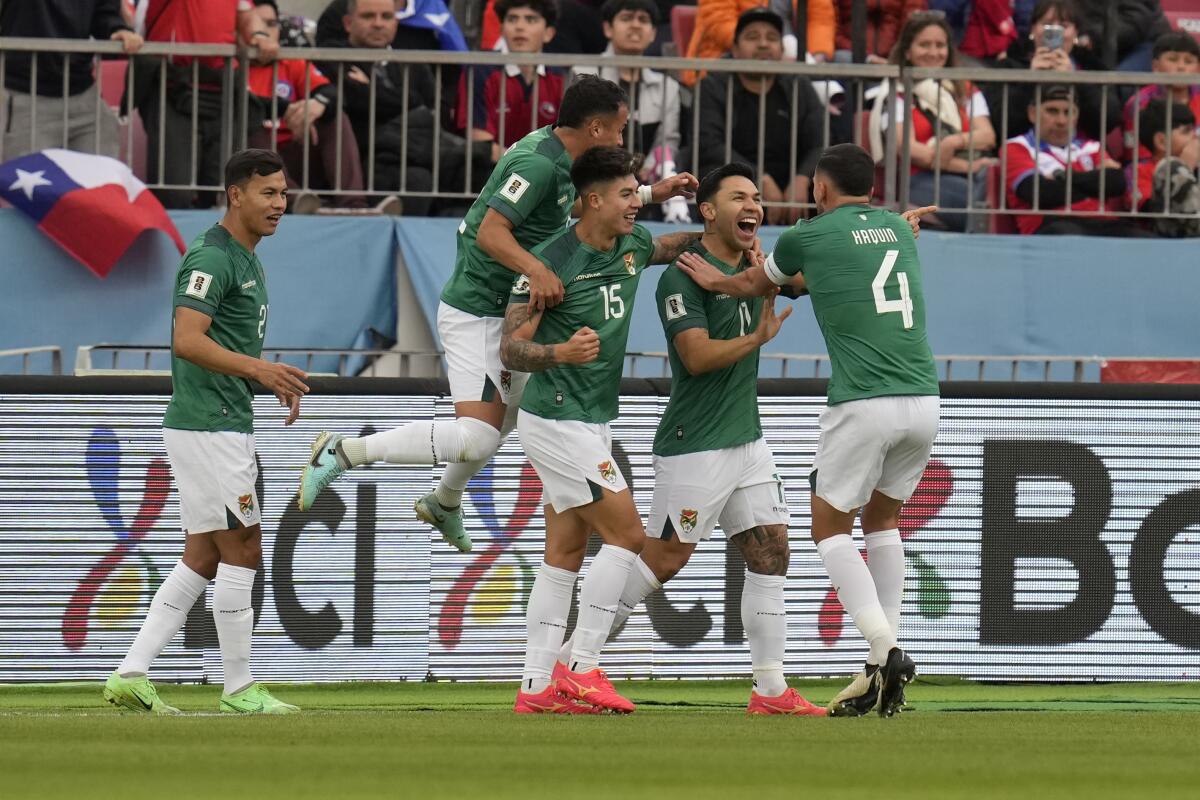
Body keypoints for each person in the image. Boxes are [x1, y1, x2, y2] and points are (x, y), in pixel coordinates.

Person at [297, 76, 697, 552]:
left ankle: (444, 501)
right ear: (594, 128)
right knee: (478, 438)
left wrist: (653, 193)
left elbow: (581, 201)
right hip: (478, 311)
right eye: (619, 130)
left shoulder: (561, 154)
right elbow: (491, 232)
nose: (621, 140)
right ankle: (342, 451)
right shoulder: (538, 162)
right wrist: (536, 268)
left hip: (507, 307)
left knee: (508, 421)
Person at [551, 162, 824, 716]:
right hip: (695, 440)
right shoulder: (683, 274)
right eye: (738, 198)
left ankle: (770, 691)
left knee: (771, 552)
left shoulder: (756, 266)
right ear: (707, 211)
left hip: (746, 439)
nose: (753, 207)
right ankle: (572, 661)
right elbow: (696, 359)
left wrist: (888, 230)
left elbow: (814, 276)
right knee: (665, 559)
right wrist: (757, 338)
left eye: (756, 198)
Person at [678, 143, 939, 718]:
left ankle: (885, 648)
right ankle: (878, 668)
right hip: (925, 401)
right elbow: (819, 276)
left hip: (864, 403)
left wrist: (715, 282)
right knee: (884, 522)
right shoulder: (897, 231)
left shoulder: (809, 234)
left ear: (820, 188)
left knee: (829, 531)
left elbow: (757, 284)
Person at [499, 146, 707, 714]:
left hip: (590, 418)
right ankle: (582, 665)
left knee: (563, 552)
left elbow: (669, 246)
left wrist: (713, 225)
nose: (636, 201)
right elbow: (511, 350)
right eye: (625, 193)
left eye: (637, 190)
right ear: (593, 200)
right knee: (628, 536)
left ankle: (536, 688)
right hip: (557, 417)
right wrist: (559, 352)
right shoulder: (550, 262)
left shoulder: (632, 244)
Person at [103, 149, 310, 715]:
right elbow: (187, 339)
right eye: (267, 193)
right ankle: (239, 688)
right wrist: (260, 370)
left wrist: (263, 380)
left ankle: (131, 672)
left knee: (202, 554)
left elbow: (223, 346)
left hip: (215, 420)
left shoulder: (246, 257)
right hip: (210, 426)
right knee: (243, 548)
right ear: (235, 194)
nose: (279, 204)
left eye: (284, 193)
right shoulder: (212, 257)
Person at [133, 0, 278, 209]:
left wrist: (260, 35)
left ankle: (214, 241)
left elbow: (246, 14)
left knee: (223, 192)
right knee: (174, 193)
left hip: (221, 91)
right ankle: (178, 241)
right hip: (172, 87)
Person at [696, 8, 826, 225]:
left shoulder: (799, 86)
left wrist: (802, 178)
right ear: (735, 50)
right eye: (752, 37)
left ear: (782, 50)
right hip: (736, 177)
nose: (763, 44)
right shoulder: (713, 86)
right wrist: (758, 180)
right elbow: (710, 144)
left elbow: (819, 143)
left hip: (791, 185)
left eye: (772, 38)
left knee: (825, 179)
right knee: (713, 174)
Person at [871, 11, 995, 232]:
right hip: (920, 181)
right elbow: (910, 150)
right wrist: (970, 165)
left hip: (971, 177)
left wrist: (953, 143)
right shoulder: (897, 93)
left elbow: (987, 135)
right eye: (925, 45)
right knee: (978, 198)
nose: (933, 52)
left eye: (940, 45)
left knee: (992, 191)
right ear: (908, 51)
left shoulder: (964, 89)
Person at [571, 0, 689, 222]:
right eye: (626, 18)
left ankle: (676, 218)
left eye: (643, 20)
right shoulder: (582, 74)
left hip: (644, 179)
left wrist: (649, 168)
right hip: (590, 176)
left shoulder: (668, 86)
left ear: (654, 33)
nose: (635, 25)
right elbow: (576, 135)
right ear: (608, 28)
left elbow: (668, 141)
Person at [247, 0, 368, 211]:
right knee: (249, 123)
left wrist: (317, 104)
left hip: (295, 153)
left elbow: (331, 93)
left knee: (335, 118)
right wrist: (290, 110)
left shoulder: (291, 62)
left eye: (272, 24)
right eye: (258, 24)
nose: (266, 32)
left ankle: (353, 204)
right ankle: (292, 201)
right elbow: (246, 104)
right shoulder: (230, 64)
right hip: (250, 167)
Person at [0, 0, 142, 161]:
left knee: (101, 181)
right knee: (26, 183)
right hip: (26, 96)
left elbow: (104, 13)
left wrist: (118, 29)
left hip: (84, 95)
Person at [1004, 86, 1149, 236]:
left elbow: (1116, 182)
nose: (1061, 121)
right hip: (1053, 225)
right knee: (1070, 237)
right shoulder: (1016, 147)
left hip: (1103, 223)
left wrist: (1062, 178)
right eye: (1052, 111)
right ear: (1033, 114)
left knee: (1147, 242)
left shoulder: (1091, 146)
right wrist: (1094, 184)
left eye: (1068, 112)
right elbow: (1039, 193)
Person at [985, 0, 1119, 144]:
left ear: (1076, 33)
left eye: (1064, 26)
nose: (1055, 31)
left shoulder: (1093, 67)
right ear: (1033, 29)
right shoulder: (1009, 67)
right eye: (1046, 24)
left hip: (1081, 156)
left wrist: (1075, 79)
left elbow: (1108, 121)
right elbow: (999, 122)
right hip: (1025, 155)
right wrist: (1030, 80)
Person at [458, 0, 565, 161]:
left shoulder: (562, 77)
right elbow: (480, 143)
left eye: (530, 20)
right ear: (501, 29)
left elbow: (569, 142)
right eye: (512, 19)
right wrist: (528, 165)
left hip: (548, 173)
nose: (519, 27)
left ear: (548, 33)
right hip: (492, 173)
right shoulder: (480, 70)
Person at [681, 0, 836, 86]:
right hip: (729, 57)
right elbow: (720, 23)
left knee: (844, 65)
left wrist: (818, 54)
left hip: (797, 57)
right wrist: (775, 54)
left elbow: (820, 18)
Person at [1121, 32, 1200, 163]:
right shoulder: (1139, 104)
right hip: (1151, 174)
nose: (1181, 67)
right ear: (1156, 67)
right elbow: (1137, 157)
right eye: (1173, 59)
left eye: (1189, 61)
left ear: (1198, 69)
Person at [1128, 99, 1200, 237]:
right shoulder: (1137, 171)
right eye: (1186, 132)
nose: (1195, 138)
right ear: (1161, 141)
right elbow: (1150, 212)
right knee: (1170, 168)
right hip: (1166, 238)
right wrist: (1185, 168)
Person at [832, 0, 927, 63]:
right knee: (843, 57)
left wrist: (895, 56)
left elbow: (912, 25)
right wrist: (867, 58)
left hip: (894, 60)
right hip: (852, 56)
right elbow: (832, 29)